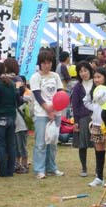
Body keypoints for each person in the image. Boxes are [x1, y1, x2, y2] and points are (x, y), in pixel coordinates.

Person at [30, 50, 65, 179]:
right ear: (40, 64)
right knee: (41, 143)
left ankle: (52, 167)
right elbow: (38, 95)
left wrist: (55, 109)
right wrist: (48, 109)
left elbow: (60, 93)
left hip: (56, 112)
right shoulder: (36, 77)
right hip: (41, 114)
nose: (46, 65)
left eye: (49, 62)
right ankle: (39, 169)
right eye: (44, 63)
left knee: (53, 141)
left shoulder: (55, 76)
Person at [83, 67, 106, 186]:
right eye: (95, 77)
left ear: (105, 77)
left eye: (99, 77)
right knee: (98, 151)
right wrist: (94, 109)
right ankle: (99, 177)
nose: (96, 80)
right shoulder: (92, 91)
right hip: (96, 124)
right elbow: (85, 101)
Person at [71, 61, 93, 177]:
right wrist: (76, 121)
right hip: (83, 117)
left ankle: (98, 169)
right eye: (80, 71)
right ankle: (84, 168)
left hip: (97, 116)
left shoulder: (97, 83)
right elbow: (75, 105)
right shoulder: (77, 87)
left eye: (85, 70)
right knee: (82, 144)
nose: (83, 73)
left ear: (90, 70)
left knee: (99, 144)